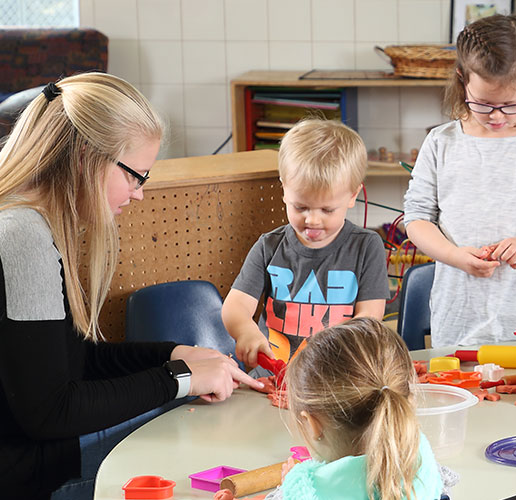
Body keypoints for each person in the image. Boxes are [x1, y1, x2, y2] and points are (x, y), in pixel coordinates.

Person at [0, 73, 260, 499]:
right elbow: (50, 412)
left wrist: (176, 355)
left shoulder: (29, 222)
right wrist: (179, 378)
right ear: (86, 157)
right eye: (136, 174)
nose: (138, 193)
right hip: (29, 477)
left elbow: (73, 362)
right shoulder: (21, 235)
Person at [403, 14, 516, 347]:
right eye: (484, 104)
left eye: (512, 104)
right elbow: (417, 219)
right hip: (457, 310)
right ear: (462, 80)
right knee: (459, 388)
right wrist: (455, 256)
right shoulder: (441, 143)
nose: (498, 116)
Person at [223, 119, 389, 368]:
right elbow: (235, 306)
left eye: (327, 209)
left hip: (337, 374)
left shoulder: (366, 247)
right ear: (284, 190)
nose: (312, 219)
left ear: (353, 195)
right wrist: (245, 331)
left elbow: (369, 318)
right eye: (300, 207)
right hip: (273, 375)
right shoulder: (269, 246)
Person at [279, 317, 444, 499]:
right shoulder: (420, 454)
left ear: (313, 424)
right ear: (407, 402)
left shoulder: (309, 489)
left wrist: (292, 486)